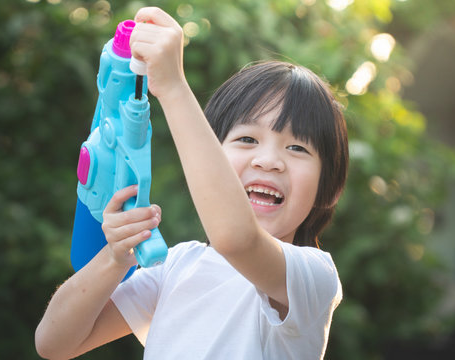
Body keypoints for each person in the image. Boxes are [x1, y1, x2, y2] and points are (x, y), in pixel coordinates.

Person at [35, 6, 348, 360]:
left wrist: (171, 85)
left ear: (330, 187)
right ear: (205, 158)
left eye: (296, 147)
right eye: (247, 139)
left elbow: (236, 239)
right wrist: (115, 257)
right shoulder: (175, 267)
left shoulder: (313, 278)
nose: (269, 160)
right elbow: (54, 343)